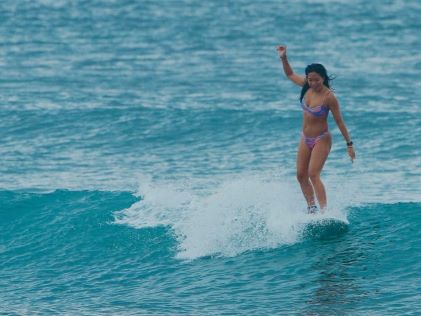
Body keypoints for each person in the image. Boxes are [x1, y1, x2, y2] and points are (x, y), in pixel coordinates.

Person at [276, 45, 356, 213]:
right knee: (300, 175)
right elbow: (290, 74)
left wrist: (349, 144)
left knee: (313, 174)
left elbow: (339, 122)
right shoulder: (307, 87)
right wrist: (284, 58)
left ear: (323, 78)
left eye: (316, 80)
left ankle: (325, 212)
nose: (313, 83)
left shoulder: (329, 97)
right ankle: (311, 208)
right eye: (310, 80)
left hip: (322, 139)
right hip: (305, 138)